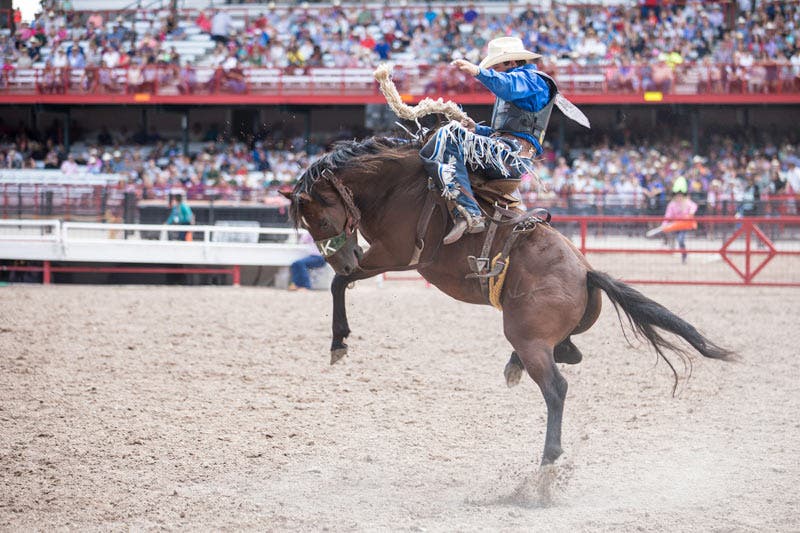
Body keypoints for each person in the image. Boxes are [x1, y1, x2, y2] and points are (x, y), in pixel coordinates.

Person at [419, 36, 589, 244]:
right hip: (505, 151)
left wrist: (478, 71)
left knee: (448, 135)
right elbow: (504, 130)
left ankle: (469, 212)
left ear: (512, 62)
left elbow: (507, 86)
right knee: (440, 139)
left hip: (510, 156)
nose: (494, 71)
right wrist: (477, 129)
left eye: (496, 67)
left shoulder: (532, 80)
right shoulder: (521, 85)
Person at [648, 179, 698, 264]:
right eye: (677, 195)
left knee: (680, 239)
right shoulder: (672, 204)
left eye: (680, 195)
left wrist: (691, 213)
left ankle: (684, 255)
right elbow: (667, 216)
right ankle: (669, 246)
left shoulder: (687, 202)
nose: (679, 197)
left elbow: (694, 206)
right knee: (673, 236)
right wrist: (664, 225)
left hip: (685, 225)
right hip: (675, 225)